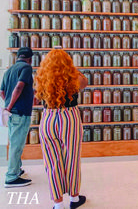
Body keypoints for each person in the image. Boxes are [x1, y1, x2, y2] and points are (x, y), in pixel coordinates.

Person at [34, 48, 88, 209]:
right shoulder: (73, 77)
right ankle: (74, 198)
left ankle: (58, 204)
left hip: (48, 118)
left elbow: (37, 95)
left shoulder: (42, 77)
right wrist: (71, 68)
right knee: (72, 158)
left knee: (51, 161)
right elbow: (84, 83)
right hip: (69, 117)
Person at [0, 47, 34, 188]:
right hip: (19, 112)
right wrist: (11, 106)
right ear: (30, 59)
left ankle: (17, 170)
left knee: (15, 142)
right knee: (16, 145)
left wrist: (8, 104)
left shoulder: (9, 70)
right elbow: (19, 87)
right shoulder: (26, 68)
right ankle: (11, 177)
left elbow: (2, 91)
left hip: (12, 113)